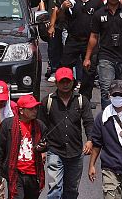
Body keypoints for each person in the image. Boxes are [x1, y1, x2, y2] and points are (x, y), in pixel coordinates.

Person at [39, 67, 94, 199]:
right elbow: (41, 126)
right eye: (62, 82)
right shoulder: (48, 101)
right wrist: (42, 149)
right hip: (55, 151)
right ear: (56, 83)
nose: (65, 84)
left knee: (71, 191)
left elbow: (88, 122)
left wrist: (90, 140)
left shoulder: (81, 100)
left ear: (73, 82)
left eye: (67, 81)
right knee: (55, 189)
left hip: (75, 152)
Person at [0, 94, 46, 199]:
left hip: (34, 174)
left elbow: (48, 142)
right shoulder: (8, 125)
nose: (35, 111)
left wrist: (43, 147)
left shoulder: (39, 125)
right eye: (31, 108)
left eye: (36, 108)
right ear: (21, 111)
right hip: (16, 174)